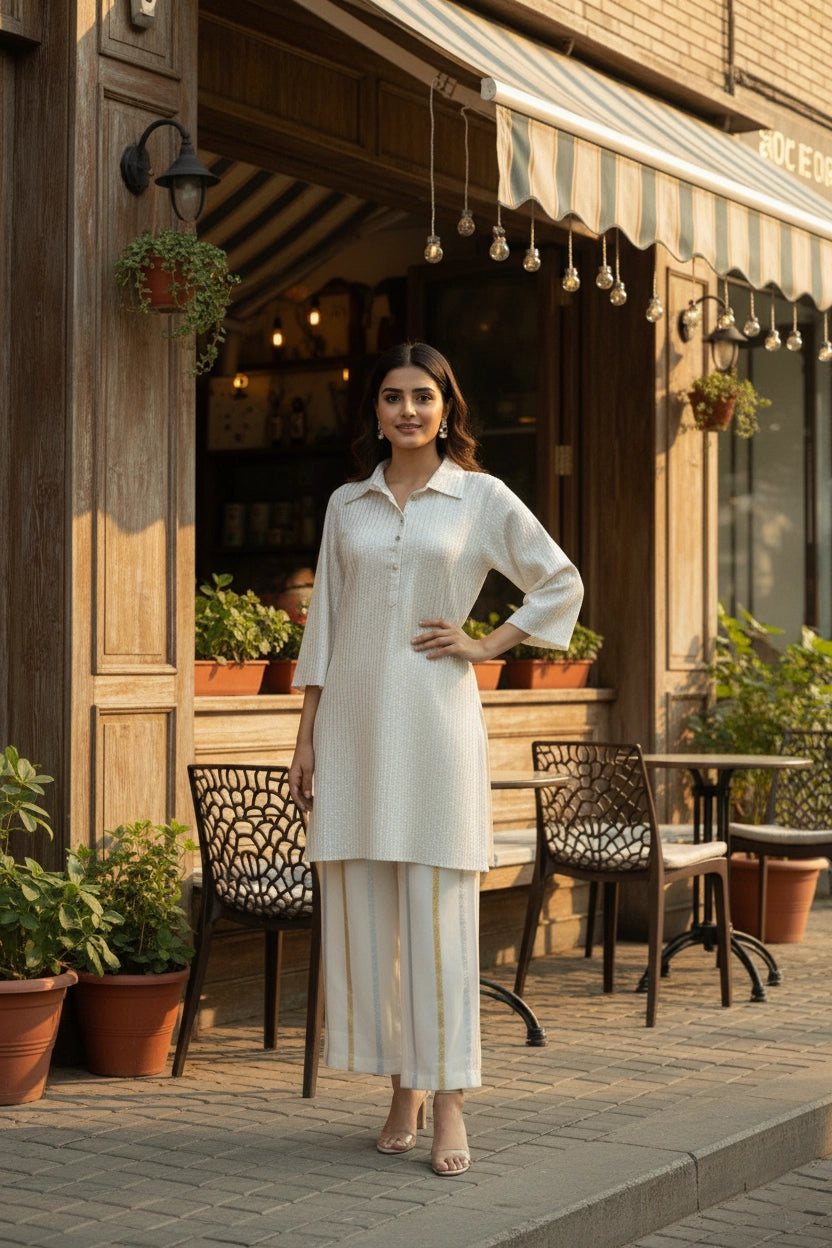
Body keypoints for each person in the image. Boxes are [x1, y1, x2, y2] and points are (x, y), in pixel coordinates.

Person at [288, 342, 583, 1176]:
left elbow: (560, 581)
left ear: (447, 407)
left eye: (422, 396)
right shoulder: (348, 504)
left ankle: (449, 1102)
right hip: (351, 731)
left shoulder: (480, 497)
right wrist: (304, 737)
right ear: (374, 411)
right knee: (376, 922)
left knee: (437, 922)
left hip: (436, 729)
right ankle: (402, 1089)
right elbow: (325, 629)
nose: (407, 410)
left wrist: (488, 641)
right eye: (391, 397)